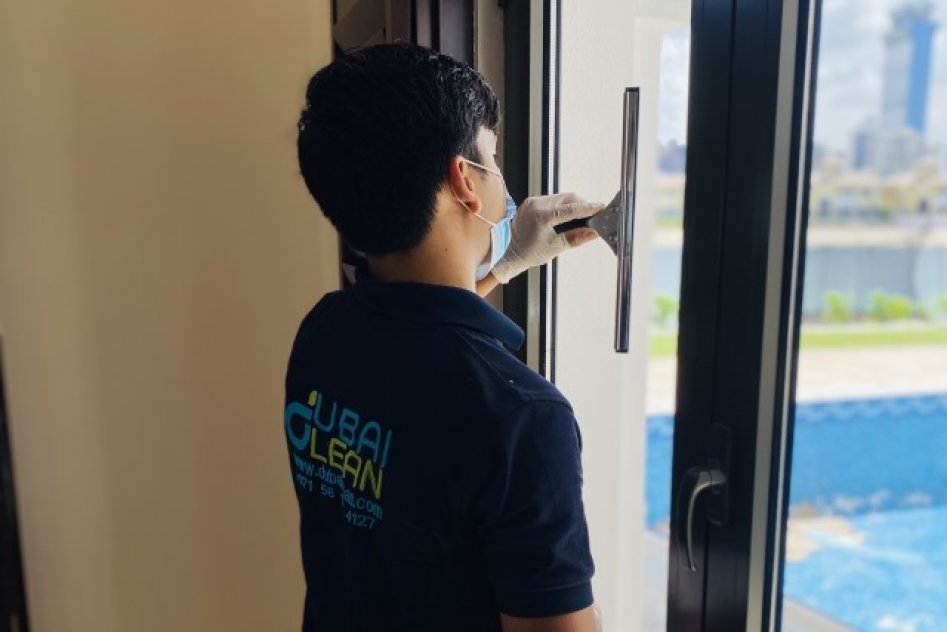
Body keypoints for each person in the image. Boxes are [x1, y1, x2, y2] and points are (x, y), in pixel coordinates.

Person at [286, 42, 602, 632]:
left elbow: (418, 340)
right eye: (493, 157)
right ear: (464, 179)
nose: (501, 176)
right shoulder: (522, 418)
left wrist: (505, 266)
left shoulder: (325, 332)